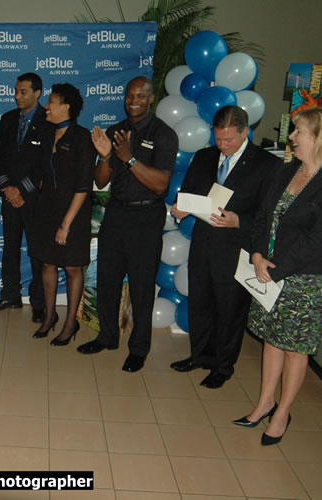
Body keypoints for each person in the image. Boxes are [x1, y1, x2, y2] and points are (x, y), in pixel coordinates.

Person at [234, 107, 322, 445]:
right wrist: (257, 253)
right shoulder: (285, 172)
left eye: (300, 132)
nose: (293, 137)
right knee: (272, 340)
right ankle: (263, 404)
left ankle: (282, 413)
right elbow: (262, 217)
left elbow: (317, 240)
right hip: (267, 268)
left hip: (302, 279)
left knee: (295, 349)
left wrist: (276, 269)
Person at [169, 106, 281, 388]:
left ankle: (223, 366)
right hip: (203, 243)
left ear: (245, 132)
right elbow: (190, 191)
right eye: (218, 139)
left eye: (229, 140)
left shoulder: (266, 165)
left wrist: (239, 220)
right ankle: (199, 356)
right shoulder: (205, 156)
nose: (223, 145)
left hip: (237, 248)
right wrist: (181, 207)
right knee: (200, 303)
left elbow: (270, 215)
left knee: (230, 310)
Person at [77, 76, 178, 373]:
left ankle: (139, 349)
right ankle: (107, 336)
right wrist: (107, 156)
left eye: (140, 96)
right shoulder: (115, 130)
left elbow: (161, 185)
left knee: (141, 286)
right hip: (117, 213)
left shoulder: (164, 134)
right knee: (107, 280)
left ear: (151, 99)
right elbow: (100, 179)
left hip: (146, 216)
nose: (133, 100)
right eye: (129, 95)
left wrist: (130, 159)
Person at [30, 83, 95, 346]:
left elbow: (83, 186)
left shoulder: (82, 137)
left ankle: (70, 323)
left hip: (74, 213)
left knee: (71, 266)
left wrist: (66, 224)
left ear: (66, 106)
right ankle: (49, 317)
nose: (47, 106)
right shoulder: (46, 133)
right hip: (47, 210)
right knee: (47, 262)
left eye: (52, 102)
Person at [0, 73, 53, 322]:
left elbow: (46, 163)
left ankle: (38, 302)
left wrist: (21, 190)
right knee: (10, 248)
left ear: (38, 93)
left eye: (23, 91)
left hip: (35, 199)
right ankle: (10, 295)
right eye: (16, 91)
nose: (17, 96)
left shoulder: (48, 121)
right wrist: (7, 188)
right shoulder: (7, 119)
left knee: (37, 251)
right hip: (9, 197)